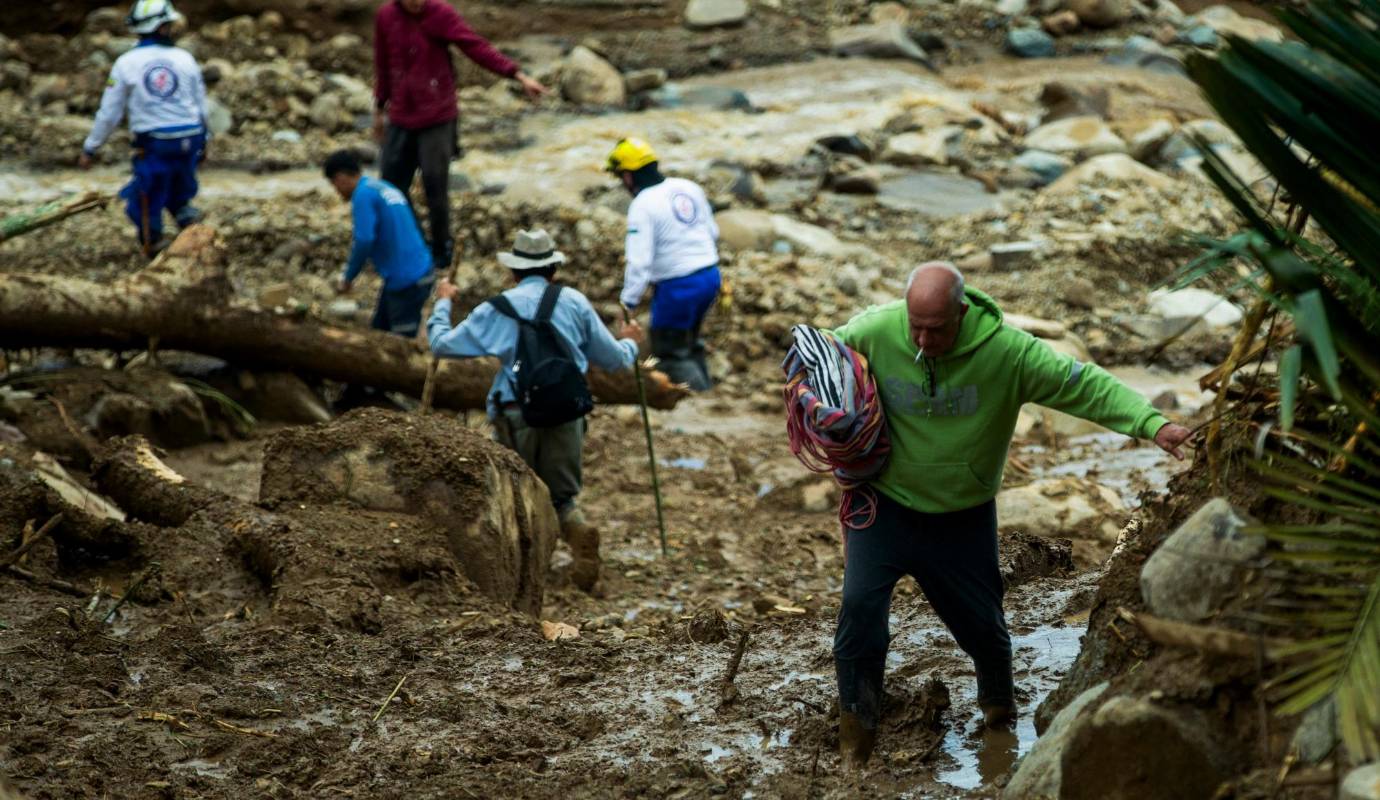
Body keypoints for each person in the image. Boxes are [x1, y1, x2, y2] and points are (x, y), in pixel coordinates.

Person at [825, 261, 1193, 767]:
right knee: (859, 613)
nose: (924, 341)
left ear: (962, 310)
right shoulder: (875, 329)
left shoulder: (1008, 353)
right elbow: (819, 357)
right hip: (881, 508)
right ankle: (855, 740)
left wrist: (1153, 423)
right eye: (916, 327)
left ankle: (999, 719)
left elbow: (1083, 385)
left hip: (962, 518)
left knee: (984, 631)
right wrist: (814, 402)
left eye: (937, 329)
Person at [427, 229, 643, 592]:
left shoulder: (496, 308)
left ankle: (522, 574)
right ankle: (576, 534)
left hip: (516, 414)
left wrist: (443, 302)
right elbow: (615, 360)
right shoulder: (574, 302)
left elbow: (441, 345)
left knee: (514, 494)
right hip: (567, 412)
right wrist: (632, 343)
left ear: (513, 273)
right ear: (553, 269)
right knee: (561, 497)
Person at [373, 0, 549, 267]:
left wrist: (517, 75)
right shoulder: (387, 16)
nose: (416, 3)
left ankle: (442, 247)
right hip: (401, 114)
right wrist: (379, 106)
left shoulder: (440, 13)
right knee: (391, 184)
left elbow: (474, 46)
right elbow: (383, 62)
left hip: (437, 115)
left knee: (435, 184)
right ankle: (412, 240)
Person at [79, 0, 208, 256]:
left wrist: (91, 147)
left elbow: (110, 113)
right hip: (189, 137)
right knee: (179, 189)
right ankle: (189, 226)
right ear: (163, 26)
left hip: (155, 142)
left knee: (146, 196)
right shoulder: (185, 58)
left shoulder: (127, 63)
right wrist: (205, 140)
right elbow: (200, 104)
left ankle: (155, 243)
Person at [607, 138, 722, 391]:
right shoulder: (687, 187)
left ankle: (697, 401)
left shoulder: (642, 204)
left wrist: (628, 303)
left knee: (671, 350)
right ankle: (707, 390)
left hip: (679, 286)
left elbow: (639, 262)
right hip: (710, 275)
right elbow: (712, 231)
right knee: (691, 340)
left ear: (628, 176)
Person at [324, 150, 435, 341]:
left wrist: (349, 277)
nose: (336, 190)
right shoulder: (381, 187)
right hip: (421, 268)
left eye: (334, 184)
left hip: (406, 279)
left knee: (400, 342)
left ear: (341, 178)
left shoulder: (362, 195)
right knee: (379, 330)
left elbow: (365, 239)